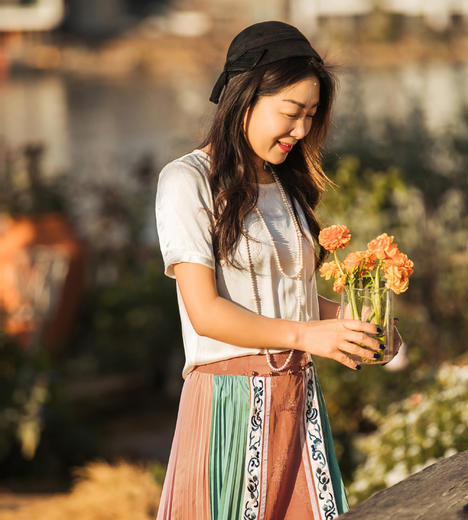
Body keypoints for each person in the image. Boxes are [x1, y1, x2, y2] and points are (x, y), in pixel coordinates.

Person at [155, 20, 394, 520]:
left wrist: (361, 327)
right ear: (245, 98)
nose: (302, 130)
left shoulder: (288, 186)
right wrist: (310, 334)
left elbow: (297, 301)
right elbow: (207, 313)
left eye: (310, 115)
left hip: (299, 397)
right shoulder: (187, 181)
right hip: (231, 402)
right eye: (291, 112)